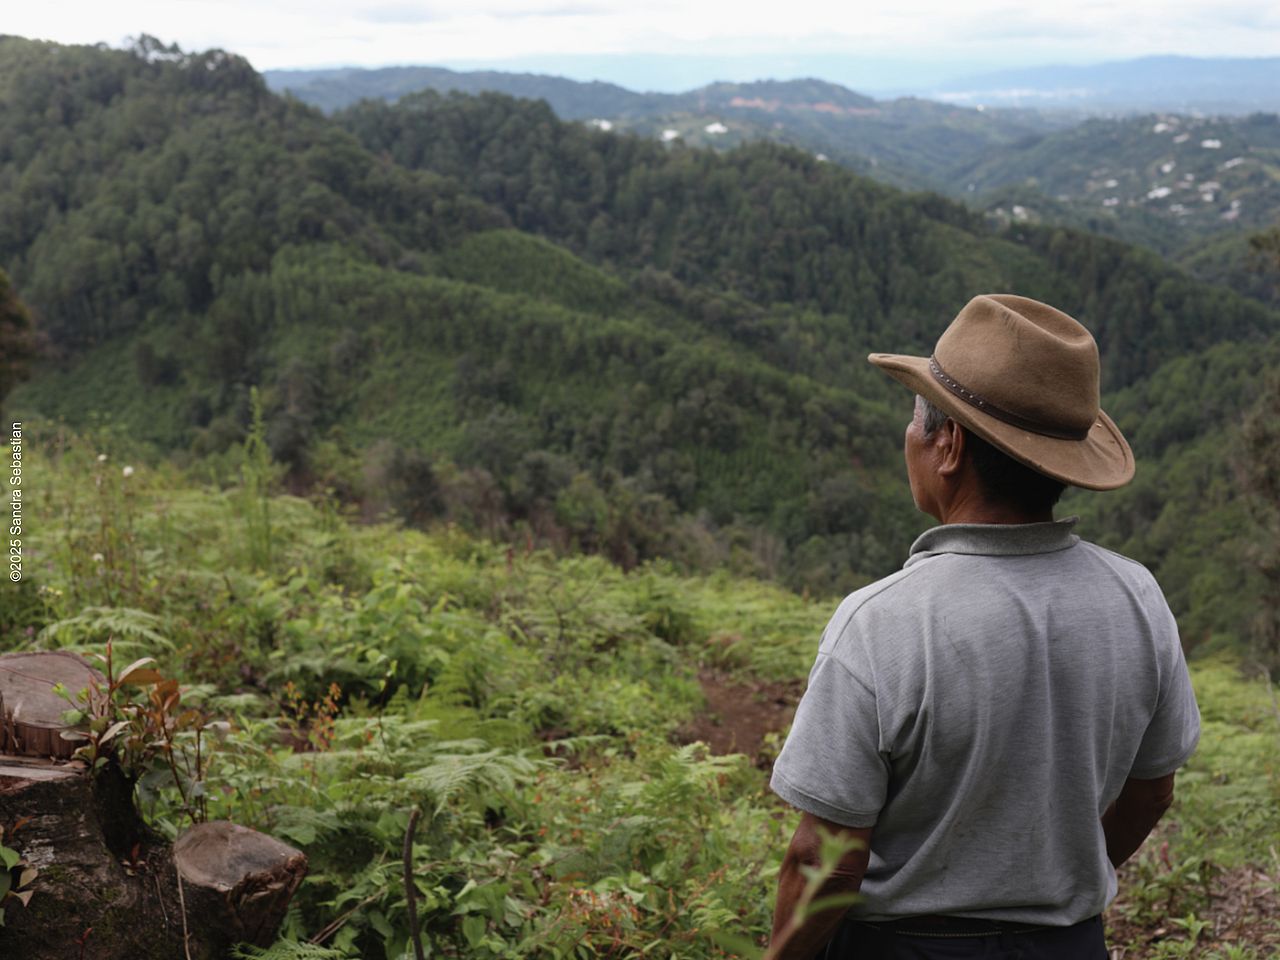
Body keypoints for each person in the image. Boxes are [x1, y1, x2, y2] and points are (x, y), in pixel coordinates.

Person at [764, 294, 1201, 959]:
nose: (908, 437)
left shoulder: (881, 622)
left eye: (917, 423)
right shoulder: (1137, 597)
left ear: (949, 444)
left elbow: (829, 861)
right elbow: (1154, 790)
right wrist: (1055, 889)